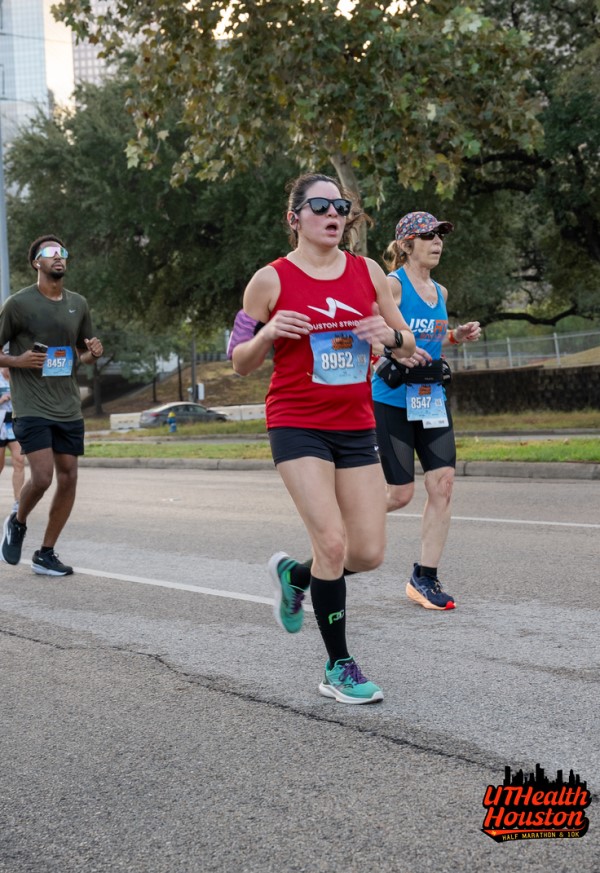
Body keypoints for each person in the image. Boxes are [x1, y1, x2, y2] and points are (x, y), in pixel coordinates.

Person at [229, 172, 415, 704]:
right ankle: (339, 666)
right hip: (297, 422)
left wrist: (391, 336)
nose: (334, 214)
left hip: (356, 426)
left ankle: (296, 575)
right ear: (295, 219)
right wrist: (266, 333)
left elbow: (402, 342)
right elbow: (239, 362)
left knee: (369, 552)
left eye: (341, 206)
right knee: (332, 541)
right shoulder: (270, 280)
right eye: (320, 206)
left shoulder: (369, 272)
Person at [372, 211, 481, 611]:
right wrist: (386, 353)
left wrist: (457, 335)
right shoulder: (391, 286)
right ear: (405, 245)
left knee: (444, 485)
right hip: (391, 399)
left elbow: (432, 339)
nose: (437, 242)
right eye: (428, 236)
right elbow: (366, 327)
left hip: (430, 398)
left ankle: (424, 578)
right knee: (400, 494)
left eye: (440, 235)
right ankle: (345, 519)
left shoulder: (442, 292)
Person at [0, 235, 103, 576]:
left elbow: (82, 356)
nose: (59, 258)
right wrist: (18, 361)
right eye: (51, 253)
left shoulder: (78, 304)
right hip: (31, 405)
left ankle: (46, 553)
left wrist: (93, 352)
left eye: (63, 253)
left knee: (69, 477)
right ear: (36, 263)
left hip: (67, 405)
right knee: (42, 477)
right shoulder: (18, 304)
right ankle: (17, 521)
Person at [0, 367, 25, 512]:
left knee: (19, 461)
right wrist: (2, 399)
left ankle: (18, 501)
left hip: (14, 424)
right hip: (0, 423)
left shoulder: (20, 378)